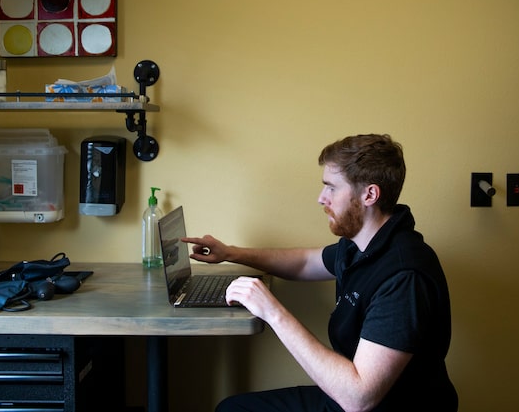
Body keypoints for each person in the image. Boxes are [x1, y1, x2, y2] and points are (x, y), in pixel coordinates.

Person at [182, 134, 458, 412]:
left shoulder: (403, 276)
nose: (321, 198)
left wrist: (273, 312)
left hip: (378, 404)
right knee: (233, 408)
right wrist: (231, 252)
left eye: (331, 188)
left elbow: (358, 399)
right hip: (349, 394)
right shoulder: (360, 246)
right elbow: (304, 262)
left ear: (369, 195)